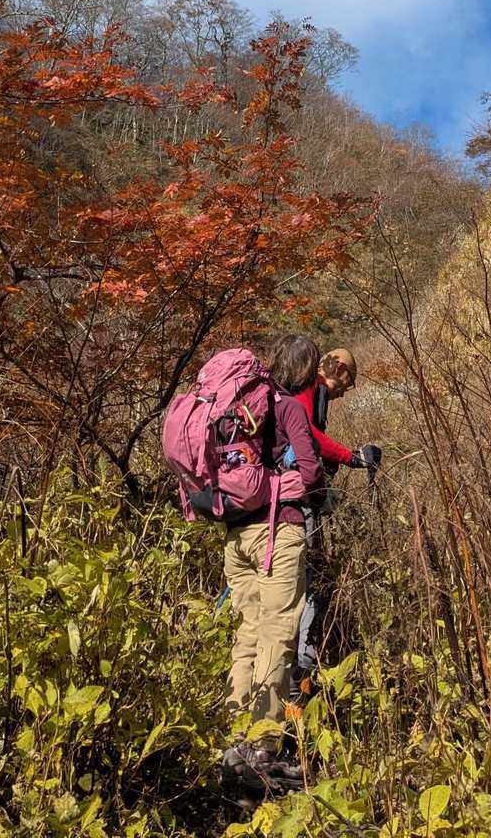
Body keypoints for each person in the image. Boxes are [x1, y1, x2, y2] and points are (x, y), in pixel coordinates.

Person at [220, 334, 324, 796]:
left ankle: (235, 742)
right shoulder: (291, 408)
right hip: (276, 533)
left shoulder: (247, 409)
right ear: (306, 371)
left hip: (236, 535)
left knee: (247, 634)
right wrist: (301, 487)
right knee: (278, 635)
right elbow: (312, 471)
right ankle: (263, 749)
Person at [291, 347, 381, 698]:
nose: (346, 391)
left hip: (290, 499)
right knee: (314, 583)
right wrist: (352, 457)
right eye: (349, 381)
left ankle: (296, 672)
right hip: (293, 503)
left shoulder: (310, 391)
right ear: (338, 370)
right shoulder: (307, 387)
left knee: (308, 582)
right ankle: (298, 676)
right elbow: (306, 435)